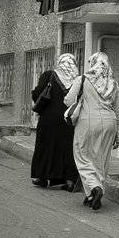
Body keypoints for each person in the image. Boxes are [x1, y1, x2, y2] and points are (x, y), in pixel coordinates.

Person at [64, 51, 119, 210]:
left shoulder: (82, 79)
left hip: (88, 122)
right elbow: (118, 110)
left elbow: (68, 100)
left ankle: (95, 188)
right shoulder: (112, 83)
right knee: (101, 159)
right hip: (110, 123)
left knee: (82, 156)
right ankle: (91, 195)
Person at [30, 53, 80, 190]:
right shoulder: (77, 79)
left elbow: (37, 93)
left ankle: (41, 177)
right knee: (68, 148)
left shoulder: (49, 75)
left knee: (45, 146)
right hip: (69, 120)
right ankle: (69, 180)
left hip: (48, 119)